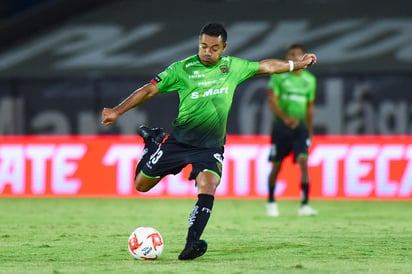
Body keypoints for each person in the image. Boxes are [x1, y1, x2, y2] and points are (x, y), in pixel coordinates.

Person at [101, 23, 317, 260]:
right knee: (141, 185)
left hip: (209, 147)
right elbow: (149, 90)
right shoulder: (181, 69)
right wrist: (118, 111)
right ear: (199, 43)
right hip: (179, 142)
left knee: (208, 186)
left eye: (214, 48)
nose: (207, 52)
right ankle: (153, 143)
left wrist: (298, 64)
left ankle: (191, 243)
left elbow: (266, 66)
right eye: (204, 46)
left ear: (224, 48)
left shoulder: (233, 67)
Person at [265, 44, 318, 217]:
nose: (296, 57)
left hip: (300, 129)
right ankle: (271, 201)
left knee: (303, 162)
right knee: (277, 165)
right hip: (281, 128)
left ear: (304, 57)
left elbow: (310, 107)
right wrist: (286, 119)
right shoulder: (279, 77)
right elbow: (272, 101)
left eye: (299, 54)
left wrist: (309, 131)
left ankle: (304, 205)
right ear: (287, 58)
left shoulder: (310, 80)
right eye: (292, 55)